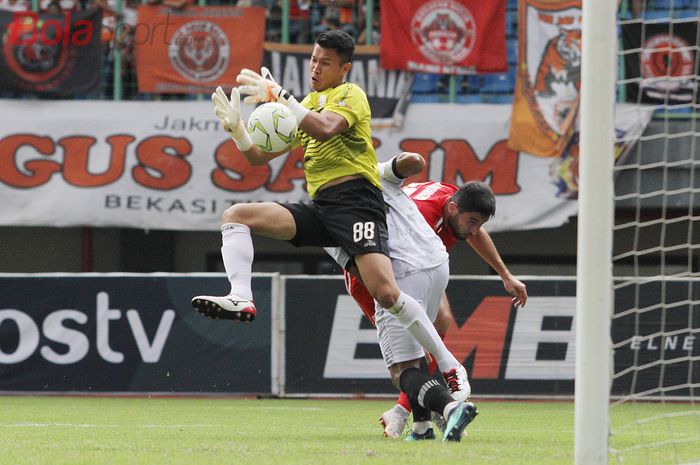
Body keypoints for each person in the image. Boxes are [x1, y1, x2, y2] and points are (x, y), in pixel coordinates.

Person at [193, 29, 473, 440]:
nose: (315, 67)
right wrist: (238, 130)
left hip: (358, 202)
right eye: (312, 59)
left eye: (324, 62)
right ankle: (241, 296)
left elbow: (325, 128)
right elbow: (258, 157)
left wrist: (281, 95)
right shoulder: (301, 104)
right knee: (236, 214)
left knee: (388, 295)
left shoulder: (350, 95)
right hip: (324, 208)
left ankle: (448, 364)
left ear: (343, 68)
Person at [344, 177, 528, 438]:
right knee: (410, 354)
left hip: (409, 267)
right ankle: (423, 410)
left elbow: (473, 232)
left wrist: (505, 275)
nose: (475, 230)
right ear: (452, 208)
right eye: (473, 222)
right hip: (371, 278)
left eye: (479, 223)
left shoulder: (453, 200)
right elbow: (375, 256)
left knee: (437, 324)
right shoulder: (419, 216)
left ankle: (419, 420)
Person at [326, 151, 484, 441]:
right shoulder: (424, 196)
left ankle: (433, 407)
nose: (474, 231)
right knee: (423, 340)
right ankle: (421, 423)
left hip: (394, 272)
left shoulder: (332, 204)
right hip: (399, 271)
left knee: (404, 366)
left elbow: (409, 163)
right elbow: (409, 162)